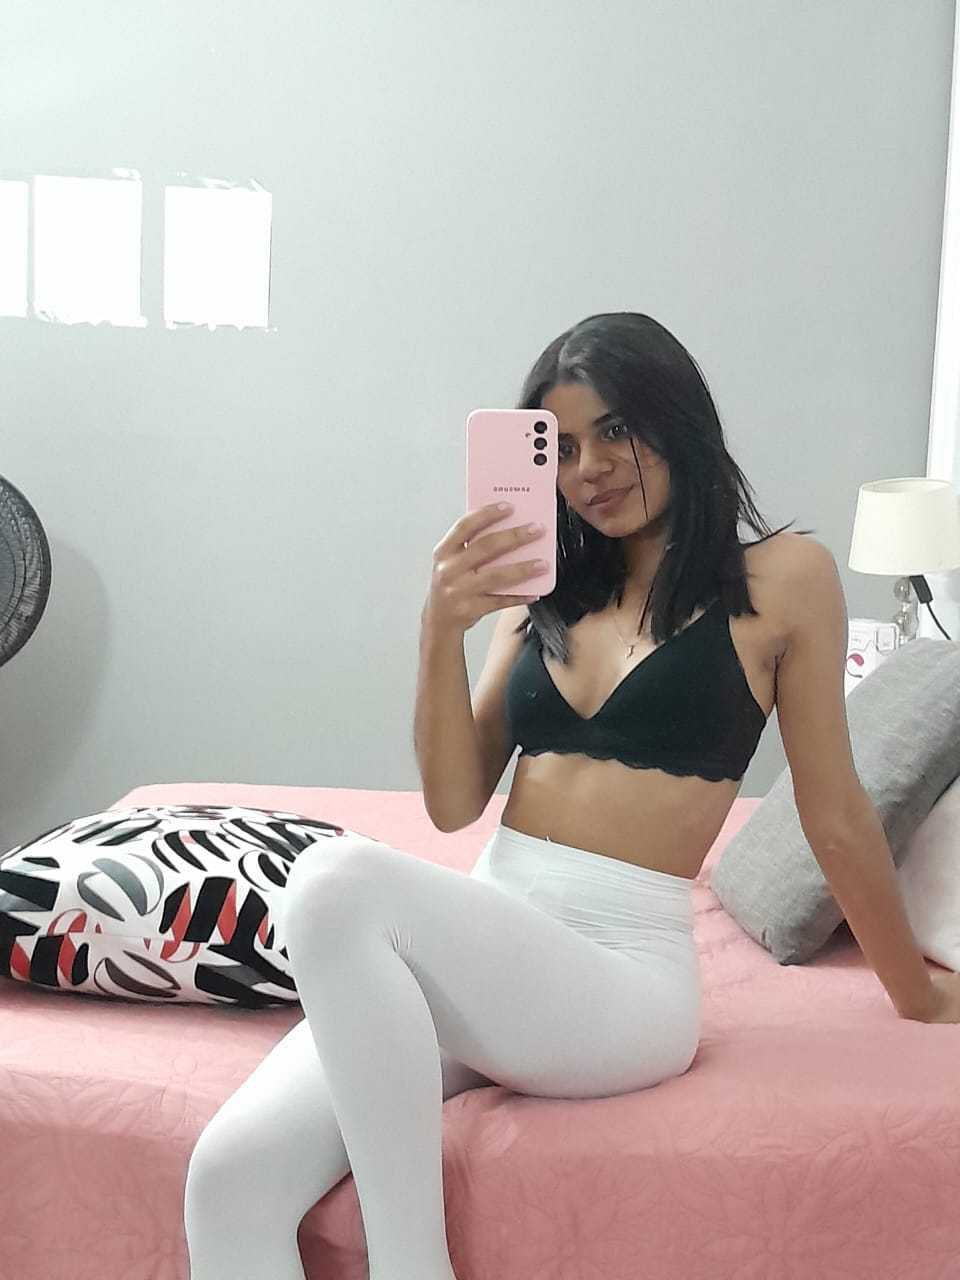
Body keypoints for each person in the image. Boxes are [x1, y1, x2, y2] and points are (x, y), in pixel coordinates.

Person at [183, 312, 815, 1280]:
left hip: (623, 978)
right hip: (497, 946)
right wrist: (440, 628)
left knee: (336, 882)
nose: (588, 469)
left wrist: (917, 987)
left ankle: (412, 1262)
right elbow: (452, 801)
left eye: (615, 430)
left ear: (677, 420)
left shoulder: (783, 576)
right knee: (227, 1180)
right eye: (559, 447)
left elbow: (836, 808)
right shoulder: (544, 596)